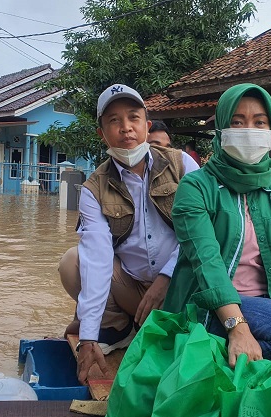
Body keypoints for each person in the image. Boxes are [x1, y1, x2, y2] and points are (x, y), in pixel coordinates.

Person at [163, 83, 271, 368]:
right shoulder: (196, 186)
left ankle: (229, 355)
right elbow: (206, 261)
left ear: (270, 130)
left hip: (263, 306)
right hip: (207, 304)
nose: (249, 130)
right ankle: (225, 345)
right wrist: (238, 329)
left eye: (259, 122)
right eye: (237, 122)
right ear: (220, 129)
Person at [58, 84, 200, 384]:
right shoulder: (93, 188)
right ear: (102, 133)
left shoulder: (181, 164)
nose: (126, 128)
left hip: (181, 285)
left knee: (185, 340)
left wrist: (166, 277)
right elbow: (97, 259)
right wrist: (88, 336)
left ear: (146, 126)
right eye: (114, 120)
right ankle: (118, 326)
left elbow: (201, 230)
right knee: (74, 261)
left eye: (133, 118)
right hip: (132, 289)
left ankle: (165, 323)